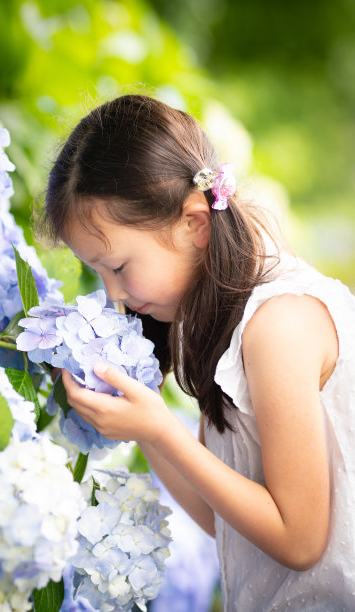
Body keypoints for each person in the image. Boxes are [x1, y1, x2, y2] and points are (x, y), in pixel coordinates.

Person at [40, 94, 355, 611]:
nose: (113, 295)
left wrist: (161, 429)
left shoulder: (277, 326)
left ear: (196, 225)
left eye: (117, 267)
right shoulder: (206, 318)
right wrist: (148, 423)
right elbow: (221, 519)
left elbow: (300, 542)